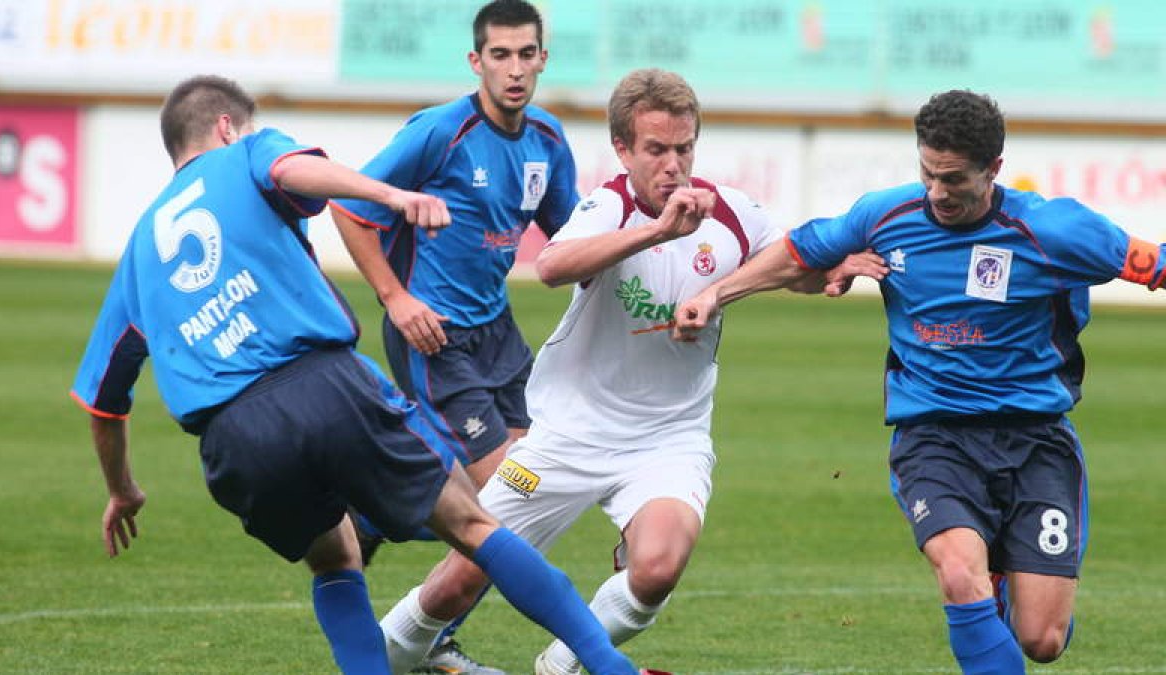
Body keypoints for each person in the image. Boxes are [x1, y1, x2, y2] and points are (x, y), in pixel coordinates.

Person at [69, 74, 645, 675]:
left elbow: (104, 402)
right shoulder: (248, 151)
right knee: (473, 522)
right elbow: (293, 172)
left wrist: (122, 490)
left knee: (335, 559)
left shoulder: (136, 253)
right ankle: (610, 667)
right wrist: (392, 196)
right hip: (320, 382)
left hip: (233, 440)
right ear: (225, 126)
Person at [372, 68, 886, 675]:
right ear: (623, 149)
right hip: (567, 435)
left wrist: (830, 265)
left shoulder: (732, 212)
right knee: (461, 580)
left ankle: (562, 665)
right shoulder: (608, 207)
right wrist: (657, 231)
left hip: (668, 437)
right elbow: (554, 265)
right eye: (657, 150)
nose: (673, 165)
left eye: (684, 148)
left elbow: (786, 264)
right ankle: (382, 657)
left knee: (657, 568)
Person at [673, 90, 1165, 673]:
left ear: (994, 170)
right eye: (928, 173)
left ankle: (1010, 587)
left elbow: (1153, 263)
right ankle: (986, 589)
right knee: (959, 575)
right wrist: (712, 295)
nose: (936, 192)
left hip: (1037, 440)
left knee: (1042, 639)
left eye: (953, 179)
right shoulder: (886, 216)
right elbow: (797, 251)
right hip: (934, 435)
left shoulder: (1055, 231)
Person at [331, 2, 578, 670]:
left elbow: (573, 241)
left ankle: (380, 511)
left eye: (527, 54)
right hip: (434, 337)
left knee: (532, 488)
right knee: (514, 500)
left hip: (499, 335)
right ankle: (430, 636)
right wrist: (397, 297)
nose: (515, 68)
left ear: (543, 59)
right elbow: (350, 206)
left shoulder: (549, 141)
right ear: (477, 62)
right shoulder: (440, 132)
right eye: (500, 55)